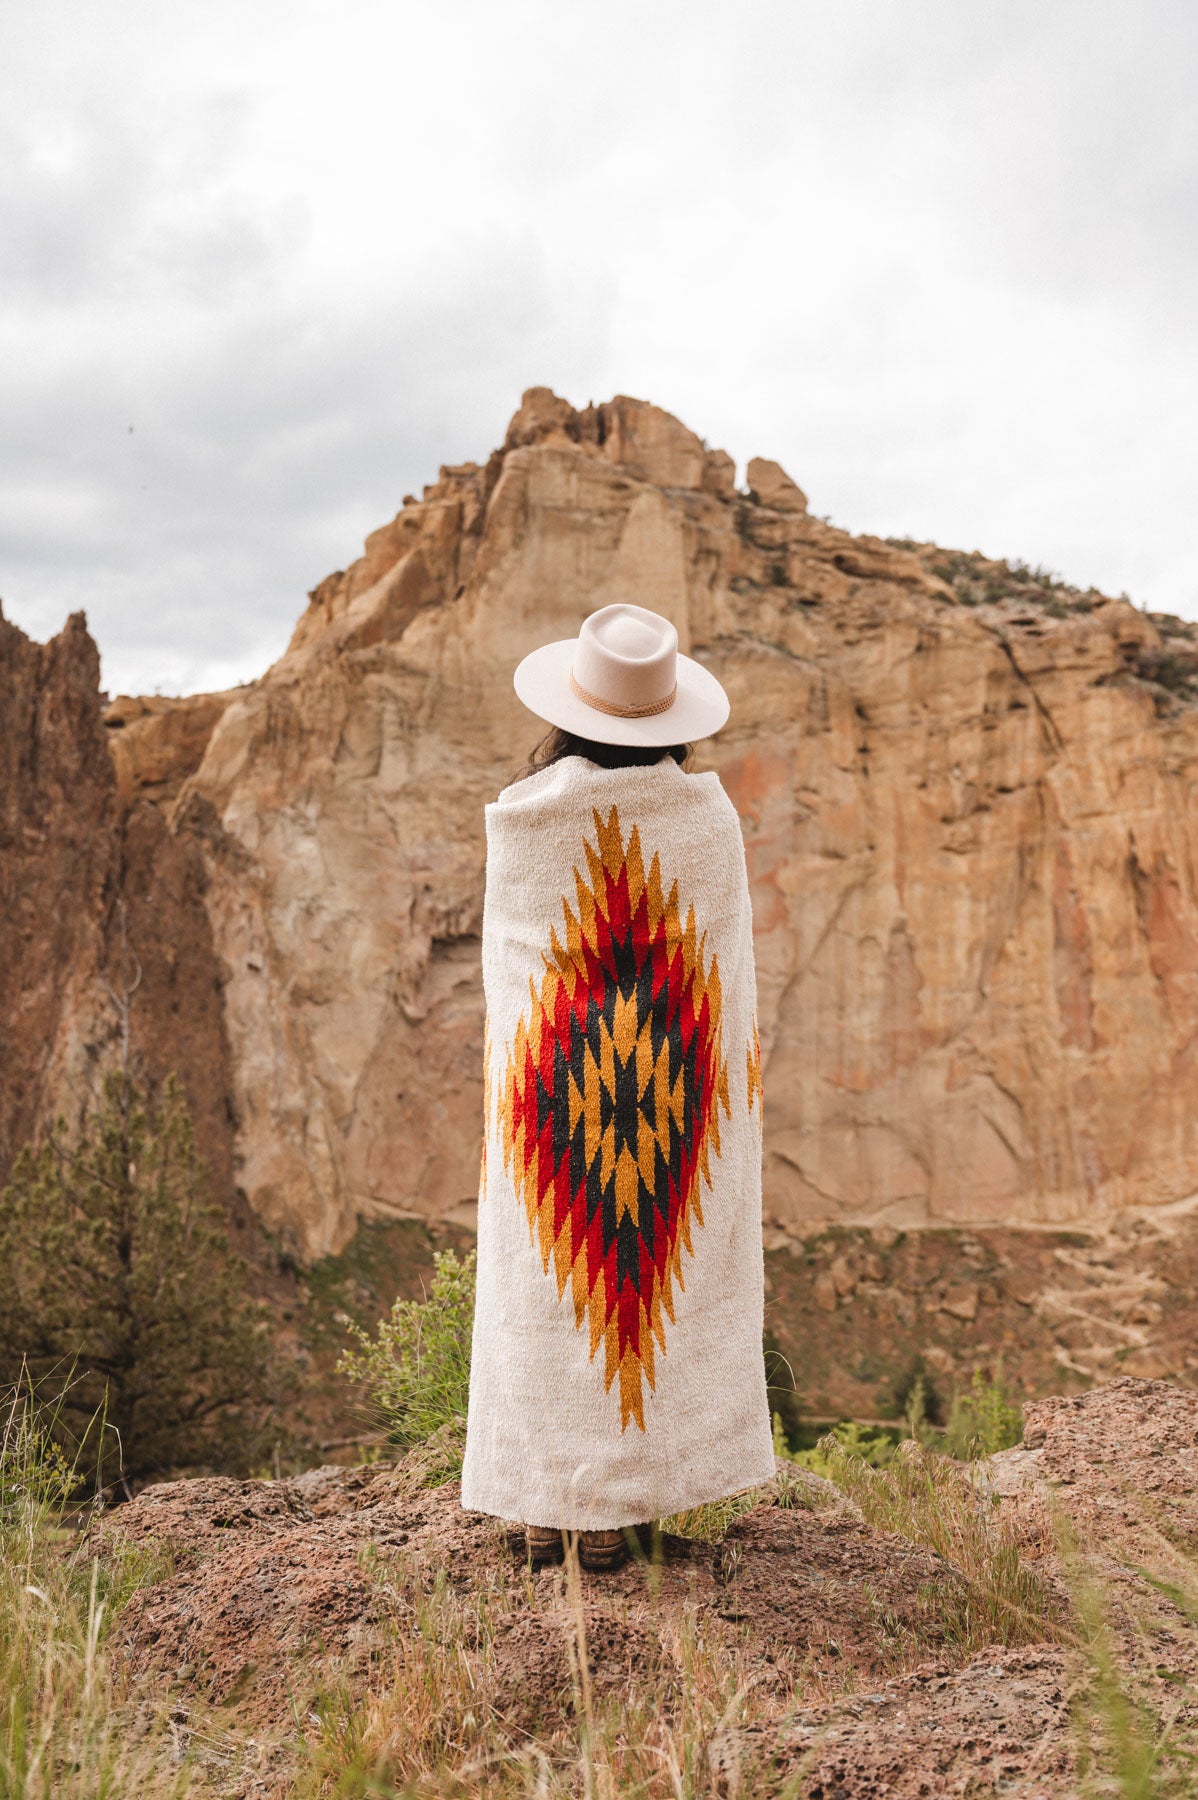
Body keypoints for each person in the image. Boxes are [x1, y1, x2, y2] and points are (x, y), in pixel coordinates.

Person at [460, 602, 775, 1572]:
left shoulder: (524, 818)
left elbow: (517, 977)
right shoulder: (702, 819)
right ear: (670, 721)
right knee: (654, 1280)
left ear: (567, 709)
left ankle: (543, 1505)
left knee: (549, 1281)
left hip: (550, 1096)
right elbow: (719, 977)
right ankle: (626, 1507)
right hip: (673, 1092)